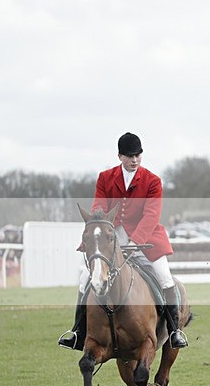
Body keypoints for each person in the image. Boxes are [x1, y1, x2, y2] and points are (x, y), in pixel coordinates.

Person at [58, 132, 188, 350]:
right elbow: (98, 209)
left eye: (138, 155)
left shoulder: (153, 181)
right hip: (112, 238)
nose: (134, 160)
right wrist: (95, 233)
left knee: (165, 279)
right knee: (84, 278)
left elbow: (151, 216)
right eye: (129, 156)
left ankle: (175, 331)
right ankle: (78, 332)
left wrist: (136, 242)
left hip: (147, 241)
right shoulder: (105, 178)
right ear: (120, 156)